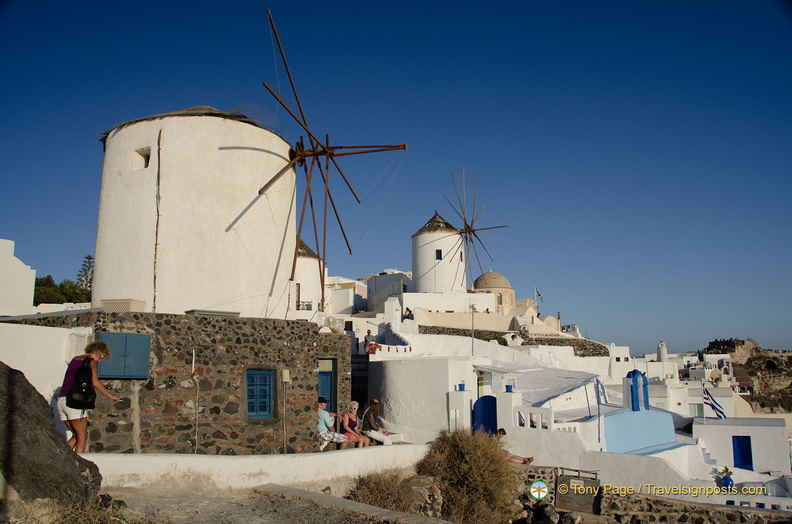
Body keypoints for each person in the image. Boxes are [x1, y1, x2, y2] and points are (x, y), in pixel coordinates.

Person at [57, 341, 120, 453]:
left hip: (61, 401)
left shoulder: (75, 359)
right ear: (96, 352)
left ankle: (60, 458)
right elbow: (95, 383)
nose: (100, 360)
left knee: (76, 436)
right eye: (100, 357)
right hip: (74, 403)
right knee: (82, 437)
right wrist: (111, 396)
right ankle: (79, 466)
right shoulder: (91, 362)